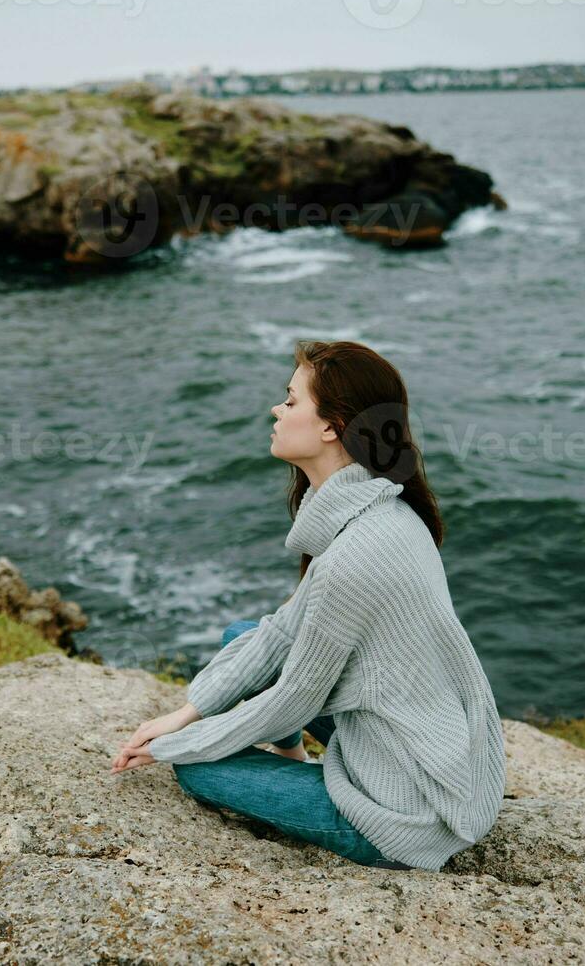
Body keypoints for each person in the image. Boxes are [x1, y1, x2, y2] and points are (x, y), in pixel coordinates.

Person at [109, 339, 507, 871]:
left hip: (401, 816)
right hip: (416, 741)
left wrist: (176, 743)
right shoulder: (379, 506)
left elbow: (295, 697)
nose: (277, 409)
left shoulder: (356, 556)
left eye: (291, 400)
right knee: (242, 636)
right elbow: (278, 636)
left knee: (196, 768)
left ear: (331, 427)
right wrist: (184, 712)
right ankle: (293, 758)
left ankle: (313, 781)